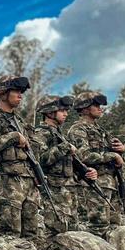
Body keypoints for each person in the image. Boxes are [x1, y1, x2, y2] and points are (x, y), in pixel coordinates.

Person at [0, 75, 42, 245]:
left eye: (22, 92)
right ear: (3, 93)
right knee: (10, 235)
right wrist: (13, 136)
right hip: (8, 182)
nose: (20, 95)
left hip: (28, 181)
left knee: (31, 234)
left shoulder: (18, 120)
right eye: (16, 91)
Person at [33, 95, 98, 237]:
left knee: (72, 231)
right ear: (50, 113)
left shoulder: (60, 135)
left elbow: (70, 164)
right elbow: (40, 160)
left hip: (68, 192)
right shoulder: (41, 133)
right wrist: (64, 148)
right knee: (54, 233)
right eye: (62, 110)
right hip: (52, 192)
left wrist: (87, 171)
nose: (66, 114)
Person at [68, 92, 125, 238]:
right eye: (96, 105)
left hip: (110, 183)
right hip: (93, 184)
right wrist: (113, 155)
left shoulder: (101, 131)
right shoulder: (78, 129)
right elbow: (82, 155)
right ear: (85, 109)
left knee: (115, 227)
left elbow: (111, 156)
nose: (101, 109)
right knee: (98, 227)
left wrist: (120, 150)